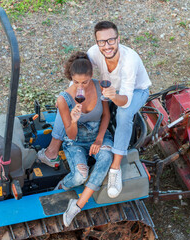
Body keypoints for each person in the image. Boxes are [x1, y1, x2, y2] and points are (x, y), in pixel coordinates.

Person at [38, 21, 151, 199]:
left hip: (132, 92)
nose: (106, 46)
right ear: (96, 42)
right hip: (109, 91)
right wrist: (70, 100)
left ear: (118, 39)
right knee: (66, 104)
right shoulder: (93, 53)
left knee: (123, 113)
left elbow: (126, 101)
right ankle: (53, 149)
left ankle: (115, 169)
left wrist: (112, 97)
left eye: (111, 40)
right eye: (102, 42)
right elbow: (78, 75)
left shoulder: (130, 62)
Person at [53, 51, 114, 227]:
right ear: (71, 78)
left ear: (91, 77)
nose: (81, 86)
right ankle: (62, 186)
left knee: (105, 158)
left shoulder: (99, 87)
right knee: (80, 176)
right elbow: (70, 135)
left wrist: (99, 139)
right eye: (77, 82)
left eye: (85, 82)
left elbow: (106, 116)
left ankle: (77, 206)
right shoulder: (64, 99)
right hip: (76, 141)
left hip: (98, 136)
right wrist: (73, 120)